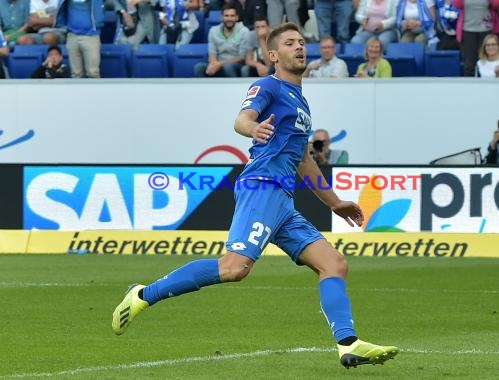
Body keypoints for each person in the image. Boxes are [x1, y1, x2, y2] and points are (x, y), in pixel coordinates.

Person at [112, 22, 399, 369]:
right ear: (274, 55)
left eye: (301, 42)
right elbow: (242, 119)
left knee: (334, 263)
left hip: (283, 201)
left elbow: (303, 159)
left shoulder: (301, 102)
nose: (299, 47)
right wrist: (253, 127)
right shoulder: (267, 85)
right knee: (235, 268)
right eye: (290, 43)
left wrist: (335, 202)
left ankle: (348, 344)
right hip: (262, 186)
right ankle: (143, 295)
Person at [194, 3, 248, 77]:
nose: (229, 19)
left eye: (232, 16)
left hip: (236, 66)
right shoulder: (213, 31)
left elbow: (242, 57)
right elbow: (212, 54)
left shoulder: (244, 31)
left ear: (237, 18)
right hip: (218, 65)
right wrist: (213, 65)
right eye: (226, 16)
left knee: (228, 67)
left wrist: (220, 64)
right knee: (199, 67)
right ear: (221, 17)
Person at [55, 0, 104, 78]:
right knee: (76, 74)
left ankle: (94, 90)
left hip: (91, 37)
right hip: (72, 36)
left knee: (93, 73)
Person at [452, 0, 499, 76]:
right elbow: (456, 4)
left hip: (486, 31)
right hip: (468, 31)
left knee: (486, 62)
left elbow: (496, 5)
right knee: (469, 65)